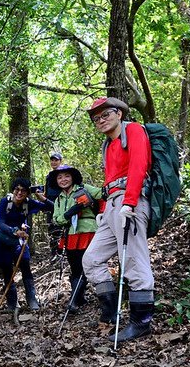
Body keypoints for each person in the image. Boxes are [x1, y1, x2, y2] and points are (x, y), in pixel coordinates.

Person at [82, 97, 155, 342]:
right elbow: (109, 182)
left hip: (130, 202)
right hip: (112, 205)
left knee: (135, 260)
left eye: (105, 115)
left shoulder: (133, 131)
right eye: (96, 118)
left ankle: (141, 322)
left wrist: (130, 202)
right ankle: (111, 311)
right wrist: (104, 208)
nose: (101, 120)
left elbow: (138, 165)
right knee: (91, 259)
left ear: (119, 113)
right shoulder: (108, 145)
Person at [0, 178, 54, 312]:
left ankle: (32, 299)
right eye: (17, 189)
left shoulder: (29, 203)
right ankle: (12, 302)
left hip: (20, 243)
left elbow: (52, 207)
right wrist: (15, 231)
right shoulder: (6, 202)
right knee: (7, 271)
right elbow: (1, 224)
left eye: (23, 190)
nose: (20, 193)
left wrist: (41, 197)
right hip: (4, 241)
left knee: (25, 267)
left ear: (27, 193)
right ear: (13, 190)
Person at [50, 165, 102, 314]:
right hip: (70, 235)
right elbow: (56, 219)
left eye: (66, 176)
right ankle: (78, 298)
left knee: (86, 265)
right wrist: (69, 214)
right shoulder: (58, 199)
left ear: (72, 177)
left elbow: (100, 194)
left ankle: (74, 300)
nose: (63, 180)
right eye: (59, 177)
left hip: (88, 230)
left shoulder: (83, 188)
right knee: (75, 267)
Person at [44, 149, 65, 255]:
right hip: (49, 204)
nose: (53, 162)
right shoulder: (49, 176)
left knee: (60, 227)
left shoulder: (63, 175)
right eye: (52, 160)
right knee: (51, 228)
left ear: (60, 161)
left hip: (60, 204)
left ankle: (61, 251)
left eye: (56, 160)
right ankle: (54, 252)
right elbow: (46, 191)